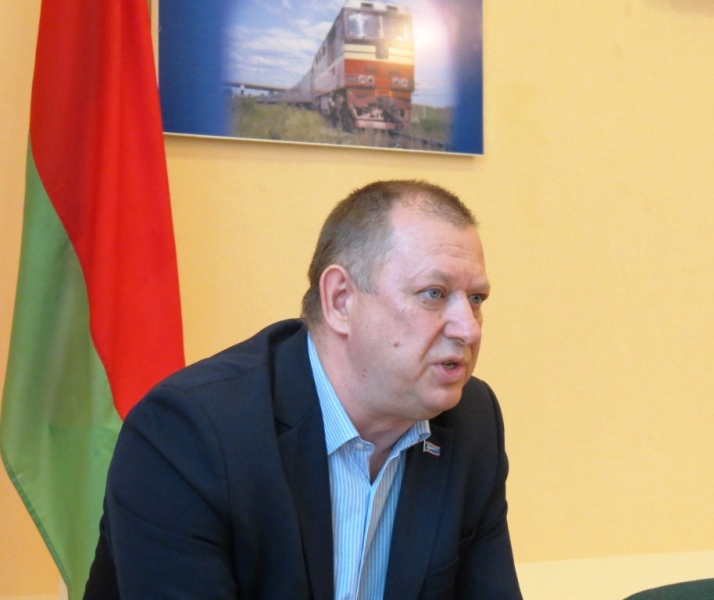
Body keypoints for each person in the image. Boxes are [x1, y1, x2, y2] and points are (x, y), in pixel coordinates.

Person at [84, 180, 523, 599]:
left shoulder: (472, 420)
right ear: (340, 300)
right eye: (434, 293)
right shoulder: (189, 433)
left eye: (476, 299)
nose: (469, 329)